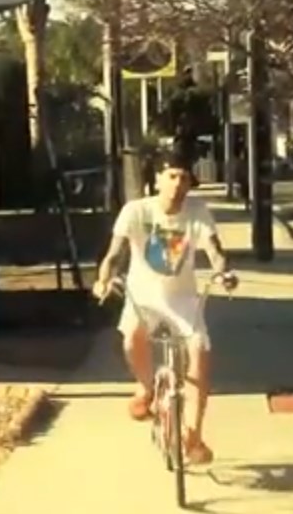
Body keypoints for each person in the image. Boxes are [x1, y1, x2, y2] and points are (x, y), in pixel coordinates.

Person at [92, 146, 236, 466]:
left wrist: (222, 272)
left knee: (199, 353)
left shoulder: (197, 211)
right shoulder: (136, 211)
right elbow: (114, 255)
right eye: (171, 176)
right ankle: (146, 390)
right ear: (157, 179)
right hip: (142, 295)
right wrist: (104, 280)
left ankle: (194, 437)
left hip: (183, 298)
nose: (178, 184)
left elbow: (214, 249)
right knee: (133, 337)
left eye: (184, 178)